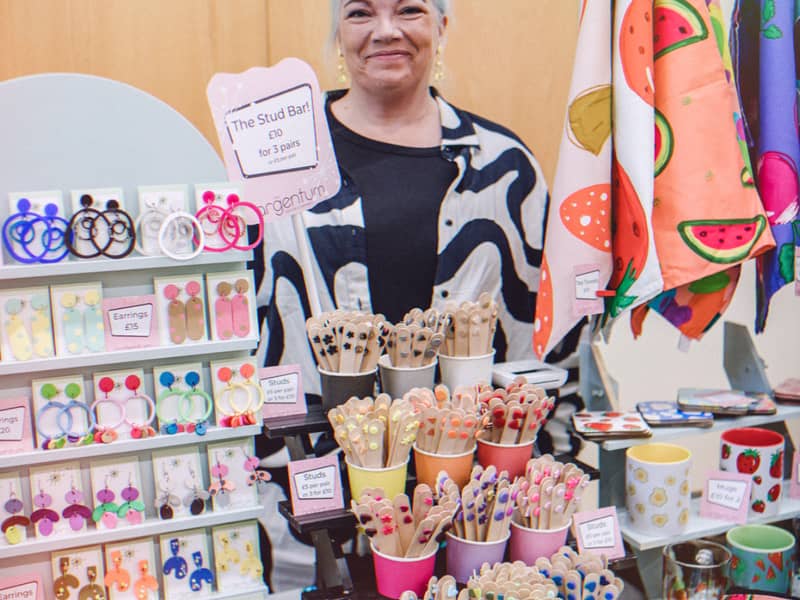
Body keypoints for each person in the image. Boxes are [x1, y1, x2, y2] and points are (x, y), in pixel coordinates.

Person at [251, 0, 584, 591]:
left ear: (441, 26)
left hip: (473, 507)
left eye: (408, 9)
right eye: (359, 12)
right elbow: (241, 318)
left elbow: (554, 347)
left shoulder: (505, 168)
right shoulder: (278, 163)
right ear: (337, 33)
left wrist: (561, 480)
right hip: (313, 501)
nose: (385, 30)